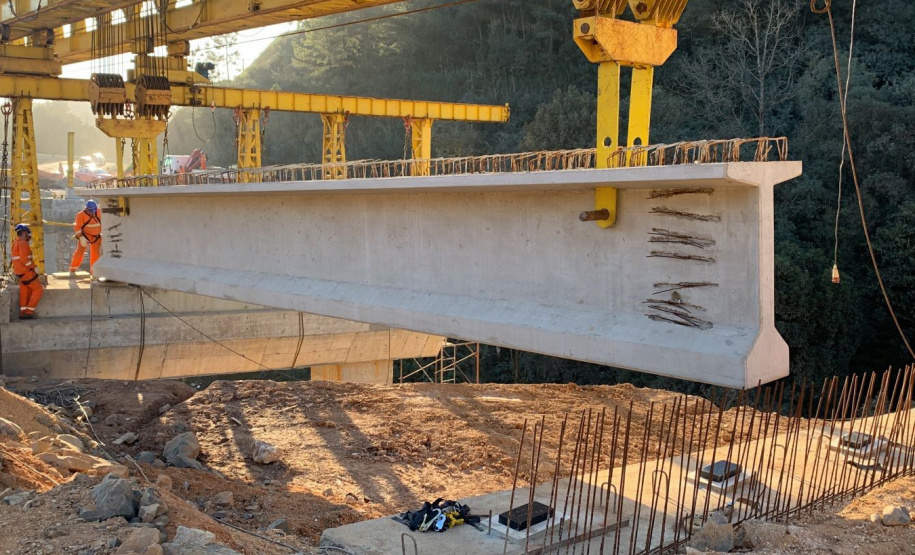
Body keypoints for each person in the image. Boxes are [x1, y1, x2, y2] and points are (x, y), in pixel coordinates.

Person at [11, 223, 43, 319]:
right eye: (28, 233)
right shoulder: (23, 243)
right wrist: (34, 267)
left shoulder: (16, 243)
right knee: (38, 289)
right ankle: (29, 312)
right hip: (26, 272)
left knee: (25, 292)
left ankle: (23, 312)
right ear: (24, 233)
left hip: (20, 273)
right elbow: (25, 259)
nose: (29, 235)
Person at [69, 199, 102, 277]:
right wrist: (81, 238)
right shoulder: (80, 215)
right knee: (80, 251)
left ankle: (94, 271)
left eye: (93, 211)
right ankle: (73, 268)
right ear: (86, 209)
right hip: (85, 235)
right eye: (90, 211)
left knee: (96, 254)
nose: (92, 213)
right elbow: (77, 227)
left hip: (96, 236)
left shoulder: (99, 212)